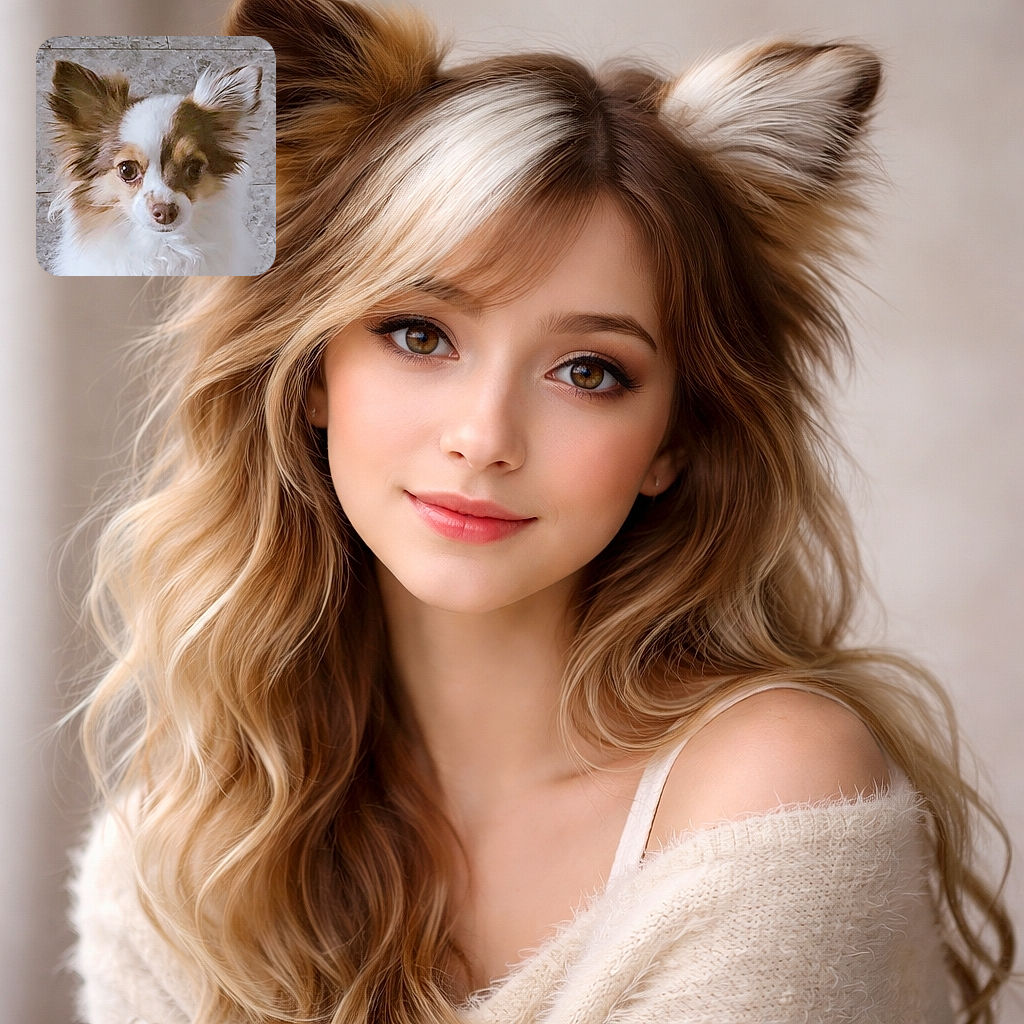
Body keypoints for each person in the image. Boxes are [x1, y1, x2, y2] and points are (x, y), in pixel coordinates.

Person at [69, 0, 1015, 1021]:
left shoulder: (771, 796)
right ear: (306, 372)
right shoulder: (179, 860)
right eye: (419, 333)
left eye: (588, 370)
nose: (485, 436)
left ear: (677, 437)